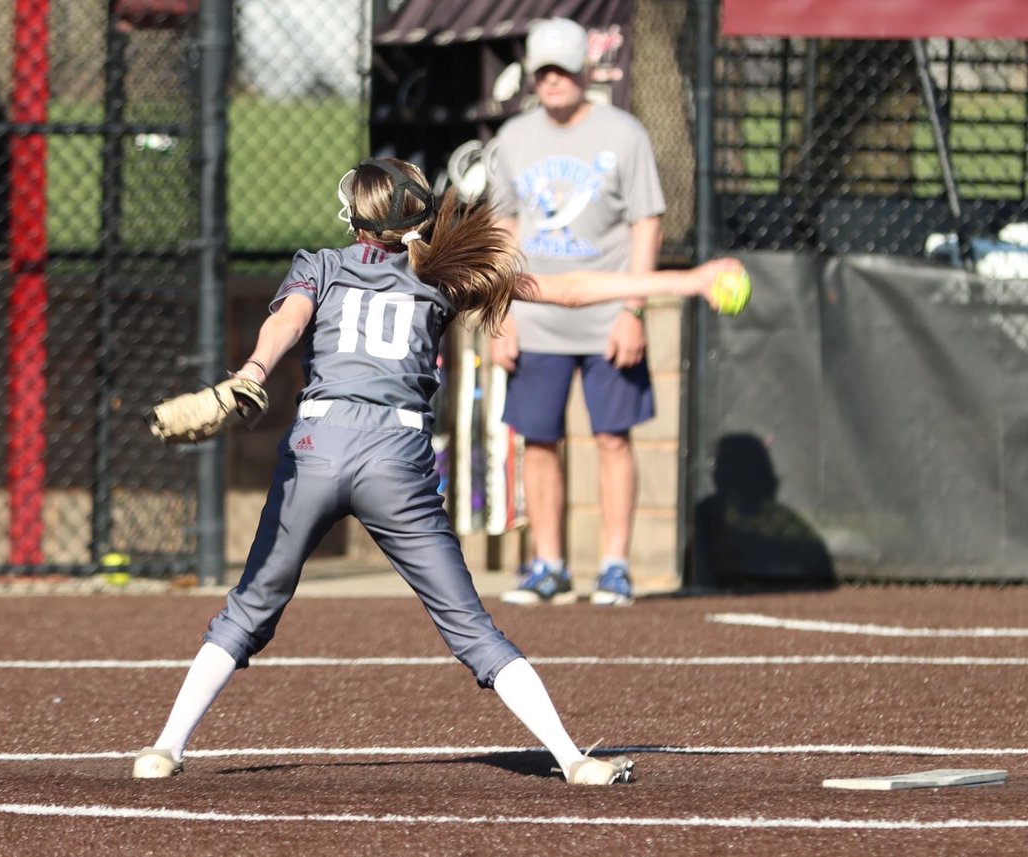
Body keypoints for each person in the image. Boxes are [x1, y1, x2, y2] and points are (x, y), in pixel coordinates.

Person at [131, 157, 738, 786]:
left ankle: (165, 748)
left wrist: (252, 373)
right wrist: (691, 281)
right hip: (397, 458)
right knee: (470, 626)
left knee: (250, 606)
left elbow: (285, 320)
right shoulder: (444, 279)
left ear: (356, 217)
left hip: (317, 445)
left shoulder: (322, 264)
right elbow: (569, 291)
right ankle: (573, 758)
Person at [489, 17, 667, 607]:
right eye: (543, 71)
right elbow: (502, 230)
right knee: (538, 441)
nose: (553, 80)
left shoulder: (624, 134)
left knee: (613, 438)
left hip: (606, 316)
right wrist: (501, 314)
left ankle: (614, 566)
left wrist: (631, 309)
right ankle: (548, 565)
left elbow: (647, 221)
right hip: (536, 317)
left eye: (563, 69)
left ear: (584, 73)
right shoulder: (512, 139)